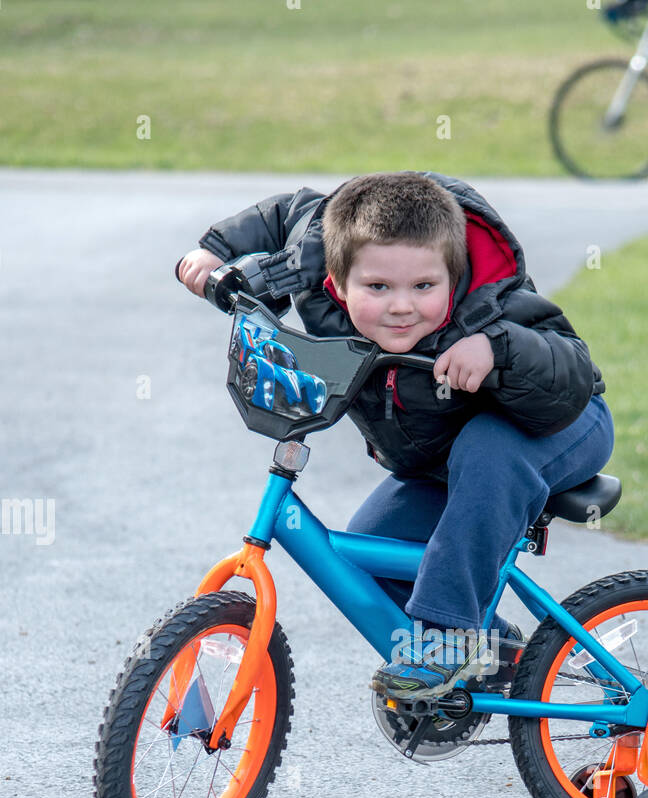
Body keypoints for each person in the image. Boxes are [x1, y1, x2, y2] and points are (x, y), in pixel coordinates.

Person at [177, 171, 613, 702]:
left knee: (487, 448)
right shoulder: (319, 263)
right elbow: (286, 214)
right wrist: (212, 251)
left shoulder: (488, 305)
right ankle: (495, 657)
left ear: (452, 276)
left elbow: (571, 370)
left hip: (559, 424)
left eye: (424, 287)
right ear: (336, 278)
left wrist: (497, 349)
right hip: (442, 459)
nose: (402, 306)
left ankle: (451, 639)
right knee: (365, 556)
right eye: (378, 287)